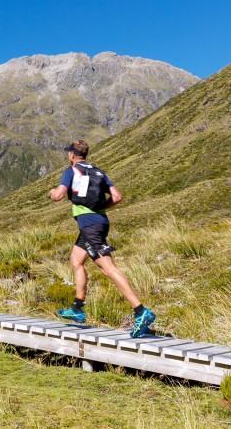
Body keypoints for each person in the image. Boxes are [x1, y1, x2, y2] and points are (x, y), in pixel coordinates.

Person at [49, 140, 157, 337]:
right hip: (98, 222)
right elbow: (117, 197)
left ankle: (141, 311)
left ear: (72, 155)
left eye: (69, 153)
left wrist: (52, 193)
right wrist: (99, 208)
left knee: (108, 268)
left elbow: (58, 196)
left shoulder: (71, 171)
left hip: (89, 225)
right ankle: (77, 308)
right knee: (76, 260)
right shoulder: (99, 172)